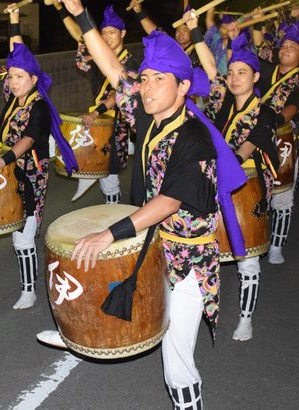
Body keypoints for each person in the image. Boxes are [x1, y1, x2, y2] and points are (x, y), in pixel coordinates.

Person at [40, 2, 247, 408]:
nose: (146, 86)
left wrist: (111, 232)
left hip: (188, 260)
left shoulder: (194, 139)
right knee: (129, 300)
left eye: (158, 80)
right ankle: (82, 332)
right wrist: (81, 14)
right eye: (145, 78)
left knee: (176, 361)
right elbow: (112, 69)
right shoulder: (149, 115)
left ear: (183, 87)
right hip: (155, 246)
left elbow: (170, 200)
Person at [187, 12, 279, 341]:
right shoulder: (222, 105)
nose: (235, 77)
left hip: (245, 187)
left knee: (246, 262)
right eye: (233, 73)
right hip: (214, 184)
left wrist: (233, 158)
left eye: (243, 72)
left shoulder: (264, 111)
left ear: (256, 77)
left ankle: (245, 318)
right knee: (200, 248)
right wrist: (195, 28)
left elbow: (254, 141)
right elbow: (211, 67)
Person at [0, 5, 76, 309]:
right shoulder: (13, 98)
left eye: (19, 77)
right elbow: (17, 54)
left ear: (34, 79)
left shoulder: (39, 106)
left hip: (29, 173)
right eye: (10, 76)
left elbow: (29, 139)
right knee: (15, 230)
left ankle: (30, 290)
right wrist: (12, 20)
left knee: (23, 236)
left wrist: (4, 158)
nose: (12, 81)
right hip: (9, 169)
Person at [56, 3, 139, 203]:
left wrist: (95, 113)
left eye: (112, 32)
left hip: (118, 123)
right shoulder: (98, 57)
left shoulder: (130, 62)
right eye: (104, 32)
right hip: (100, 119)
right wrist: (60, 8)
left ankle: (113, 210)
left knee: (109, 172)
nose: (107, 36)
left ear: (123, 33)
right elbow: (81, 35)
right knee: (99, 165)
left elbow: (116, 96)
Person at [253, 18, 299, 264]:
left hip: (285, 144)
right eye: (284, 44)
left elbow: (292, 109)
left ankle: (277, 244)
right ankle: (255, 239)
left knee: (282, 198)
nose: (286, 48)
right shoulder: (267, 71)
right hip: (258, 138)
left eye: (293, 46)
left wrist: (272, 119)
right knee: (256, 191)